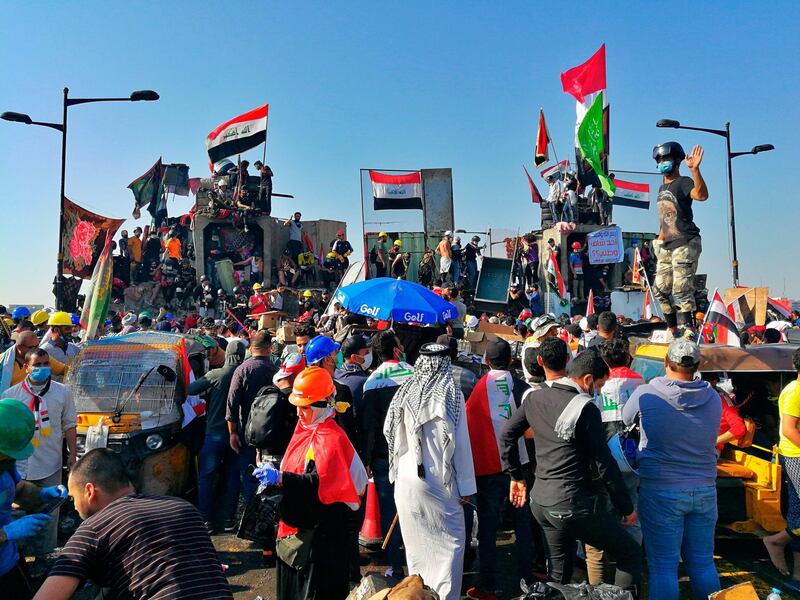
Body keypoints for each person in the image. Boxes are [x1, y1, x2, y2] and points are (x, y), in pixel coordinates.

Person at [502, 339, 641, 592]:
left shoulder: (535, 396)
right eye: (598, 386)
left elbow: (507, 434)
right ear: (587, 380)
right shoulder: (584, 407)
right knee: (630, 553)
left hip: (541, 501)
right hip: (571, 503)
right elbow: (604, 463)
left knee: (558, 574)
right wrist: (626, 506)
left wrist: (516, 476)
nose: (597, 392)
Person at [33, 448, 232, 600]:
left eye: (73, 497)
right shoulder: (183, 507)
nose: (74, 506)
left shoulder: (94, 528)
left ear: (90, 491)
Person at [252, 366, 366, 600]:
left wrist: (282, 478)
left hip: (321, 539)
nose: (299, 413)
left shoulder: (331, 438)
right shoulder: (304, 430)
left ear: (322, 405)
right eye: (298, 407)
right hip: (300, 533)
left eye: (305, 408)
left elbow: (318, 484)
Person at [623, 338, 721, 599]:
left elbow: (624, 419)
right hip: (704, 489)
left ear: (666, 362)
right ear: (697, 365)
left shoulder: (647, 393)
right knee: (703, 563)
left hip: (661, 490)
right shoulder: (714, 398)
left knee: (664, 567)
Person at [384, 342, 477, 600]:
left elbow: (390, 435)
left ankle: (418, 594)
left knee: (417, 547)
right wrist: (467, 487)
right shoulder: (451, 393)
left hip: (405, 481)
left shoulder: (404, 390)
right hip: (438, 482)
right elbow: (461, 445)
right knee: (451, 546)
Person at [465, 339, 533, 598]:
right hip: (518, 468)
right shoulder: (521, 386)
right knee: (521, 523)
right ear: (511, 360)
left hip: (488, 469)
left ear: (485, 361)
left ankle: (488, 584)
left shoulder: (478, 388)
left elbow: (469, 428)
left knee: (488, 528)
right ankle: (527, 578)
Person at [0, 398, 67, 598]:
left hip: (7, 560)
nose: (12, 458)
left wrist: (42, 493)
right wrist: (7, 532)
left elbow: (19, 489)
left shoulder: (5, 464)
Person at [361, 331, 414, 580]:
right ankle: (416, 561)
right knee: (414, 508)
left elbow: (369, 426)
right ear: (395, 350)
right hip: (414, 454)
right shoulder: (414, 374)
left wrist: (368, 460)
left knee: (389, 508)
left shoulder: (372, 381)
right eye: (400, 345)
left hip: (383, 457)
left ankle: (396, 564)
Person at [188, 340, 246, 532]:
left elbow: (191, 390)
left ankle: (206, 520)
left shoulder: (215, 374)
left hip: (214, 434)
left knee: (206, 477)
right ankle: (229, 520)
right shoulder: (246, 374)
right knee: (232, 477)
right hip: (237, 436)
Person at [652, 142, 708, 333]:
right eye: (659, 160)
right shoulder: (661, 189)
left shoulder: (683, 182)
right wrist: (659, 243)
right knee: (659, 290)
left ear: (676, 161)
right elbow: (665, 220)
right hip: (667, 243)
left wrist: (695, 170)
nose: (661, 163)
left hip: (685, 241)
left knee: (681, 289)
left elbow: (701, 195)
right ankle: (673, 329)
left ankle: (689, 329)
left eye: (665, 159)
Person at [226, 330, 278, 503]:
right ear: (269, 349)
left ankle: (251, 514)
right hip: (272, 433)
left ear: (251, 348)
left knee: (249, 476)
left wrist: (232, 433)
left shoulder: (242, 370)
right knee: (272, 477)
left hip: (248, 433)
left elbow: (232, 405)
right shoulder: (277, 371)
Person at [763, 348, 800, 586]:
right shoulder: (796, 392)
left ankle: (798, 572)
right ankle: (777, 541)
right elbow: (788, 429)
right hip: (796, 455)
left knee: (798, 512)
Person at [0, 331, 67, 395]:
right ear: (19, 347)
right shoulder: (3, 362)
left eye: (37, 346)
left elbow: (64, 370)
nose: (36, 350)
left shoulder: (42, 357)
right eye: (32, 347)